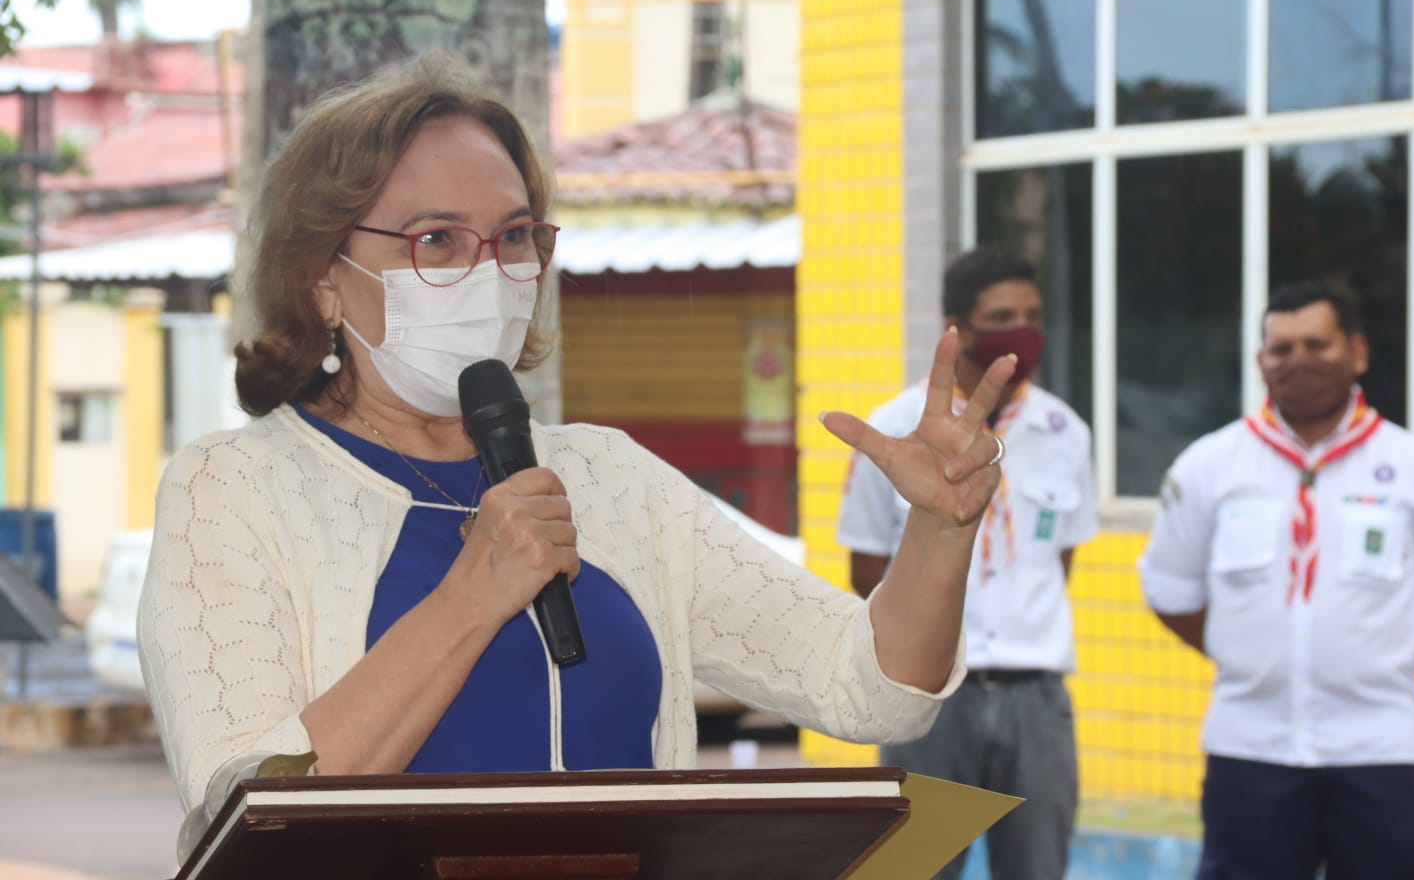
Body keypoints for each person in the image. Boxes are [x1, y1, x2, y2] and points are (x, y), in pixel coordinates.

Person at [137, 54, 1019, 830]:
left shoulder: (609, 478)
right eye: (437, 239)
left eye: (515, 236)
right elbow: (249, 807)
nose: (488, 270)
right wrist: (470, 597)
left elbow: (867, 686)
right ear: (323, 276)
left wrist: (939, 531)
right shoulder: (231, 490)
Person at [1139, 280, 1414, 880]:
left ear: (1358, 352)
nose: (1298, 361)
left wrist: (1376, 661)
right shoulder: (1208, 468)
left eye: (1317, 345)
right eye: (1282, 348)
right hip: (1250, 749)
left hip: (1383, 749)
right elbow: (1172, 594)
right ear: (1260, 362)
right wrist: (1255, 658)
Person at [838, 246, 1097, 880]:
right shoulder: (896, 429)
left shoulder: (1068, 431)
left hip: (1035, 700)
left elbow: (1057, 561)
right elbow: (866, 570)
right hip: (930, 702)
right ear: (958, 328)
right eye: (1003, 315)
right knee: (914, 869)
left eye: (1032, 314)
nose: (1022, 330)